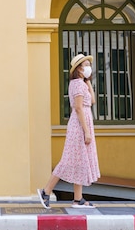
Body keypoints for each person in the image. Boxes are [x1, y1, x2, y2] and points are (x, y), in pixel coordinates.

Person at [37, 53, 100, 209]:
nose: (88, 67)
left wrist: (88, 81)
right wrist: (86, 131)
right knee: (69, 159)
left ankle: (78, 199)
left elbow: (92, 100)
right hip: (79, 125)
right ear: (78, 68)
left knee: (80, 160)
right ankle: (46, 191)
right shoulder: (77, 84)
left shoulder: (81, 83)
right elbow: (78, 108)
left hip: (82, 122)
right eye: (85, 65)